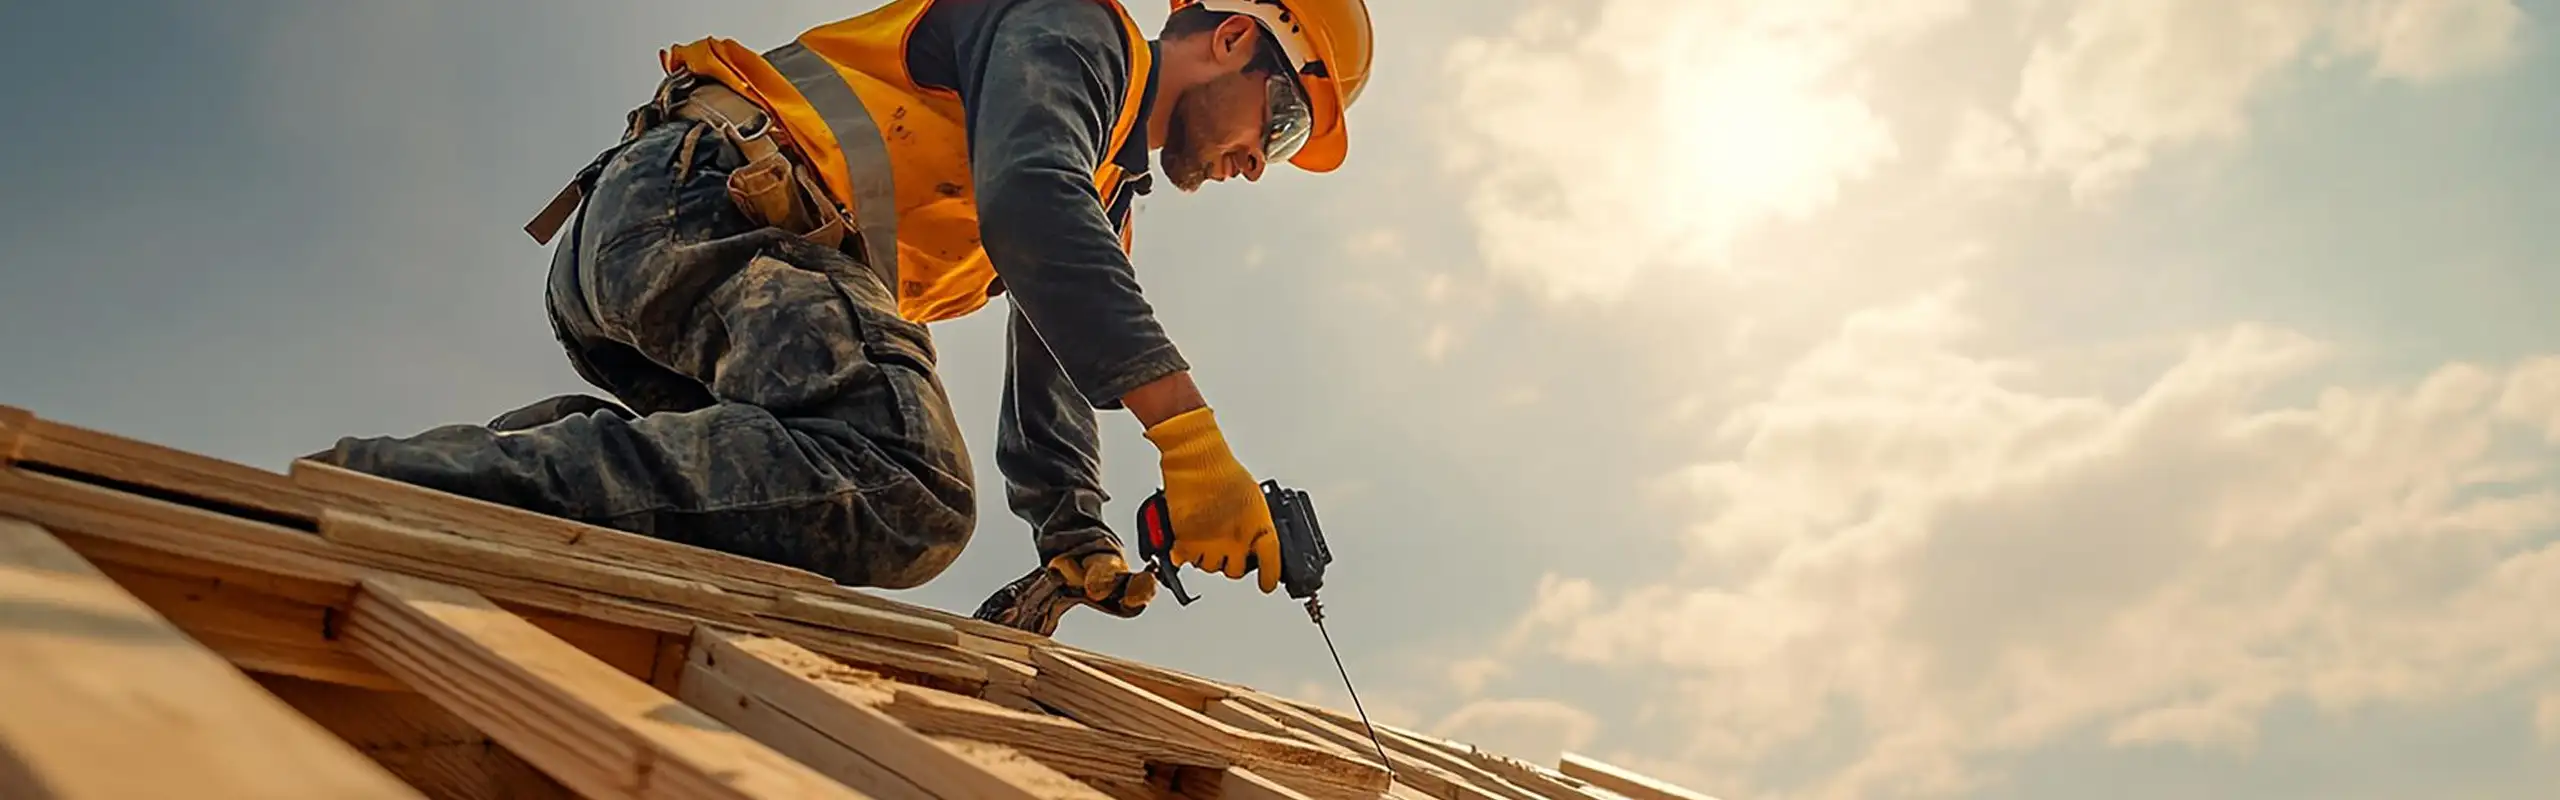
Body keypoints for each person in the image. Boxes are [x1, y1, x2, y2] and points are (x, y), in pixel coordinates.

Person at [303, 0, 1373, 635]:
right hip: (708, 203)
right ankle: (398, 489)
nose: (1253, 166)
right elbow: (1029, 206)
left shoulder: (1100, 196)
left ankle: (512, 472)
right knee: (903, 478)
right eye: (1281, 126)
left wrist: (1074, 534)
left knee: (779, 493)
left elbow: (1053, 342)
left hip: (670, 255)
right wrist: (1187, 433)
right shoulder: (1078, 29)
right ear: (1236, 36)